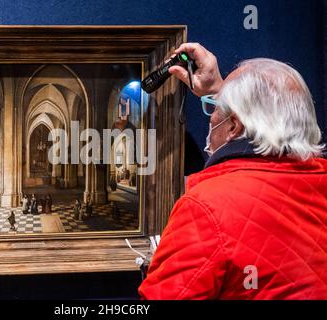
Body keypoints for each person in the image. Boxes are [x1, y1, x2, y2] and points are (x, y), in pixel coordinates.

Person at [139, 43, 327, 300]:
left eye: (215, 109)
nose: (211, 117)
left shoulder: (206, 207)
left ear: (234, 126)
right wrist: (219, 89)